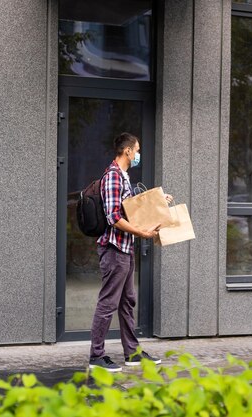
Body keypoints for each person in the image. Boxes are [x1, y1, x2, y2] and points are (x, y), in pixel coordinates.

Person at [89, 132, 171, 372]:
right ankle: (96, 356)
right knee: (108, 303)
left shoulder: (123, 177)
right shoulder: (113, 177)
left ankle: (132, 353)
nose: (138, 155)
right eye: (137, 150)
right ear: (127, 151)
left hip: (125, 250)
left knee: (127, 303)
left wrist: (159, 200)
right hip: (114, 250)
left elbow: (133, 205)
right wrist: (142, 233)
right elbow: (114, 217)